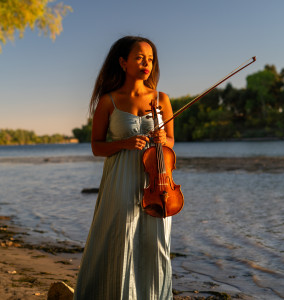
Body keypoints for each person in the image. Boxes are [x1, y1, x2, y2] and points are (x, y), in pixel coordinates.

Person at [74, 36, 174, 300]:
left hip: (158, 184)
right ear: (123, 62)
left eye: (150, 59)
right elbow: (96, 147)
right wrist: (124, 143)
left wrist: (163, 139)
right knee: (122, 240)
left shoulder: (161, 99)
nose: (147, 63)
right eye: (140, 57)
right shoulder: (109, 101)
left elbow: (172, 142)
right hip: (120, 181)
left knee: (157, 245)